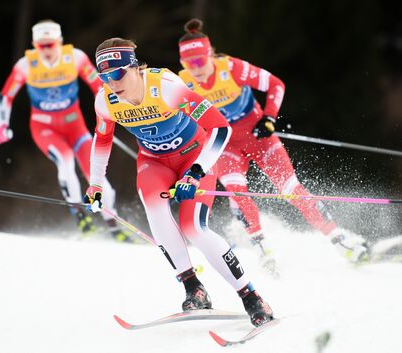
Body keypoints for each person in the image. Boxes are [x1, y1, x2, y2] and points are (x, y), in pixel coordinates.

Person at [84, 37, 274, 327]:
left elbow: (219, 128)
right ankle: (193, 288)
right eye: (104, 76)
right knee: (157, 214)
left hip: (193, 157)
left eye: (117, 73)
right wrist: (95, 183)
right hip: (154, 162)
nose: (111, 82)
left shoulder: (167, 88)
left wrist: (196, 171)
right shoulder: (105, 101)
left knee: (193, 228)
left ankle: (251, 297)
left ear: (133, 67)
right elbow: (102, 139)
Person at [177, 19, 370, 266]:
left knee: (291, 190)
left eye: (199, 61)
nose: (195, 68)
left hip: (259, 137)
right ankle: (262, 248)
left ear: (210, 55)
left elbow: (276, 84)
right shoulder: (183, 83)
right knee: (237, 191)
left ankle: (340, 241)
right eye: (188, 63)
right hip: (226, 146)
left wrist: (269, 117)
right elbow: (179, 117)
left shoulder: (232, 68)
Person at [0, 19, 131, 241]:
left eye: (51, 44)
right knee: (65, 161)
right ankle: (81, 218)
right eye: (41, 46)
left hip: (74, 126)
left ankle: (115, 228)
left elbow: (99, 85)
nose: (47, 50)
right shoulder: (25, 65)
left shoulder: (75, 58)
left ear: (60, 42)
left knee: (95, 172)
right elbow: (6, 95)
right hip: (44, 128)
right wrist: (2, 125)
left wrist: (116, 109)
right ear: (34, 45)